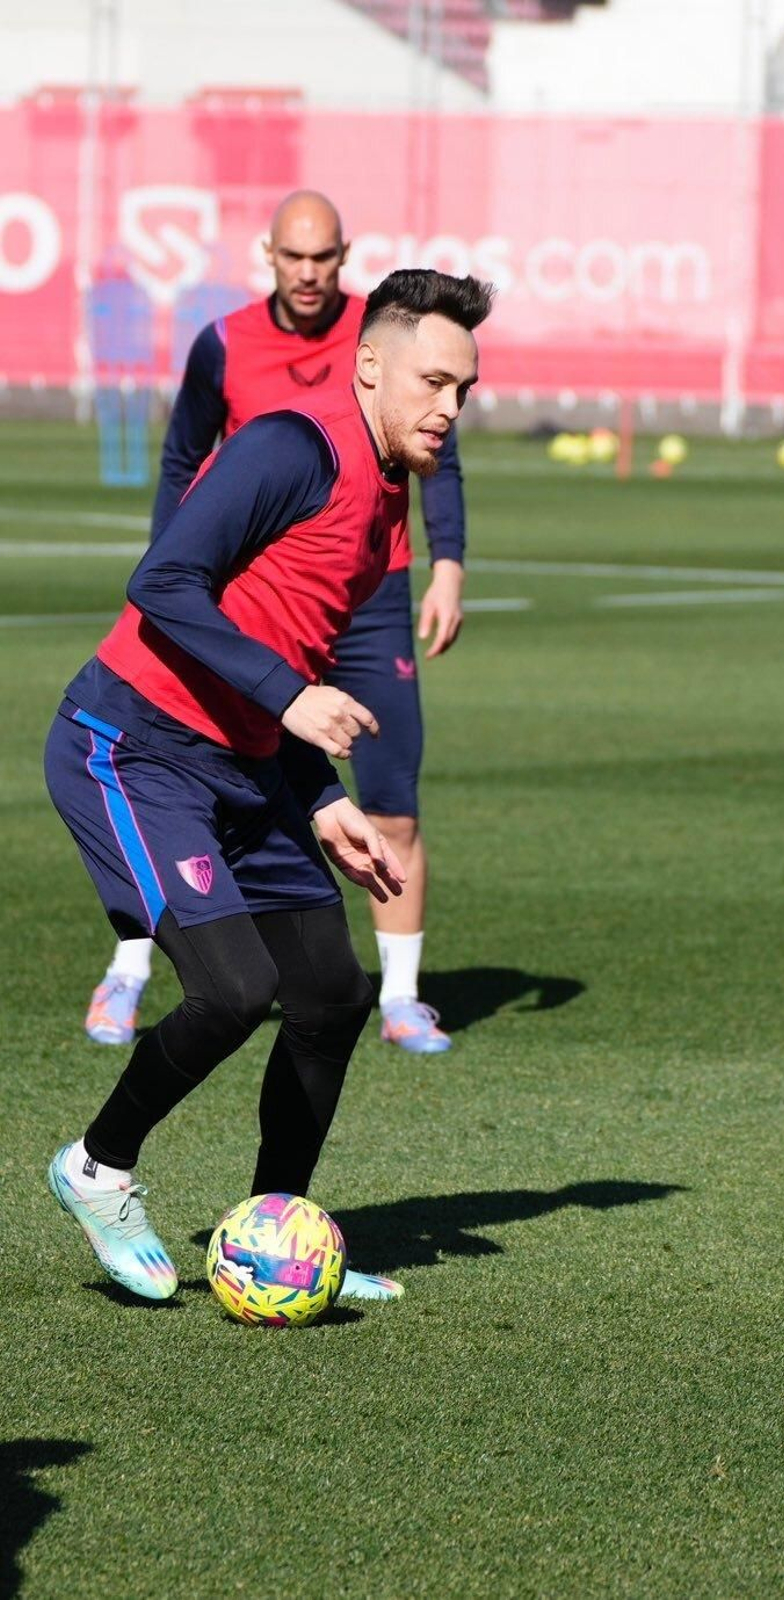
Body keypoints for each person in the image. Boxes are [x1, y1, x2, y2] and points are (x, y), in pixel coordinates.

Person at [45, 268, 493, 1302]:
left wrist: (323, 797)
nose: (449, 409)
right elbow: (161, 582)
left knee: (332, 992)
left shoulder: (388, 499)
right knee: (235, 989)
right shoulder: (295, 445)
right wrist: (294, 701)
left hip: (247, 765)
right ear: (370, 363)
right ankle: (97, 1167)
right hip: (133, 745)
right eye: (433, 381)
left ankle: (275, 1231)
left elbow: (279, 641)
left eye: (464, 391)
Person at [84, 190, 464, 1057]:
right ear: (269, 255)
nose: (308, 272)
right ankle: (129, 971)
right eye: (293, 257)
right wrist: (181, 570)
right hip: (236, 598)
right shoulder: (225, 344)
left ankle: (400, 996)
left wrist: (448, 561)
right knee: (179, 780)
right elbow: (185, 462)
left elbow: (437, 460)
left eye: (323, 257)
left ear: (343, 255)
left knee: (387, 794)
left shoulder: (398, 344)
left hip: (371, 594)